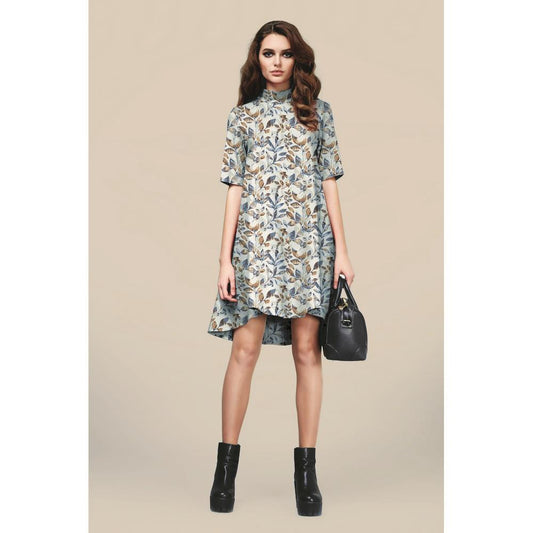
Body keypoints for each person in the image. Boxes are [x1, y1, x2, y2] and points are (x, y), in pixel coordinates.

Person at [207, 20, 355, 516]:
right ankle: (224, 472)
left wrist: (342, 252)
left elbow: (329, 181)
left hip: (308, 246)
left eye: (285, 53)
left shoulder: (319, 113)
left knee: (307, 352)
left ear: (297, 59)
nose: (276, 62)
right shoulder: (242, 117)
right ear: (257, 58)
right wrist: (225, 258)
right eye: (268, 53)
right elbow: (235, 188)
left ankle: (306, 476)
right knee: (244, 350)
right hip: (255, 248)